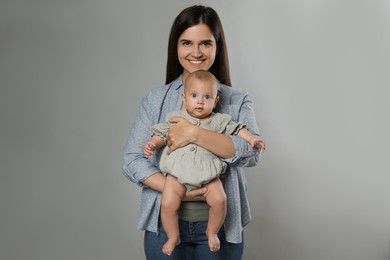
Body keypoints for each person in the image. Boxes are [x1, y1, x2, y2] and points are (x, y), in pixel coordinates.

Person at [122, 5, 265, 260]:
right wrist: (178, 191)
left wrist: (193, 134)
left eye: (206, 44)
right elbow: (132, 161)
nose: (196, 52)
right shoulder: (155, 100)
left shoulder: (237, 100)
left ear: (217, 46)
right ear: (175, 47)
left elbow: (251, 154)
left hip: (220, 228)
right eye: (187, 43)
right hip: (164, 228)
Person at [144, 70, 265, 256]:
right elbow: (162, 133)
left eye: (207, 97)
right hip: (177, 174)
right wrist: (153, 144)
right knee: (167, 203)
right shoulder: (176, 117)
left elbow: (238, 129)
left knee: (220, 200)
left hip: (209, 175)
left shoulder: (218, 120)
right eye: (194, 95)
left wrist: (251, 140)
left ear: (215, 101)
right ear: (184, 97)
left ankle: (212, 231)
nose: (200, 101)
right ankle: (173, 235)